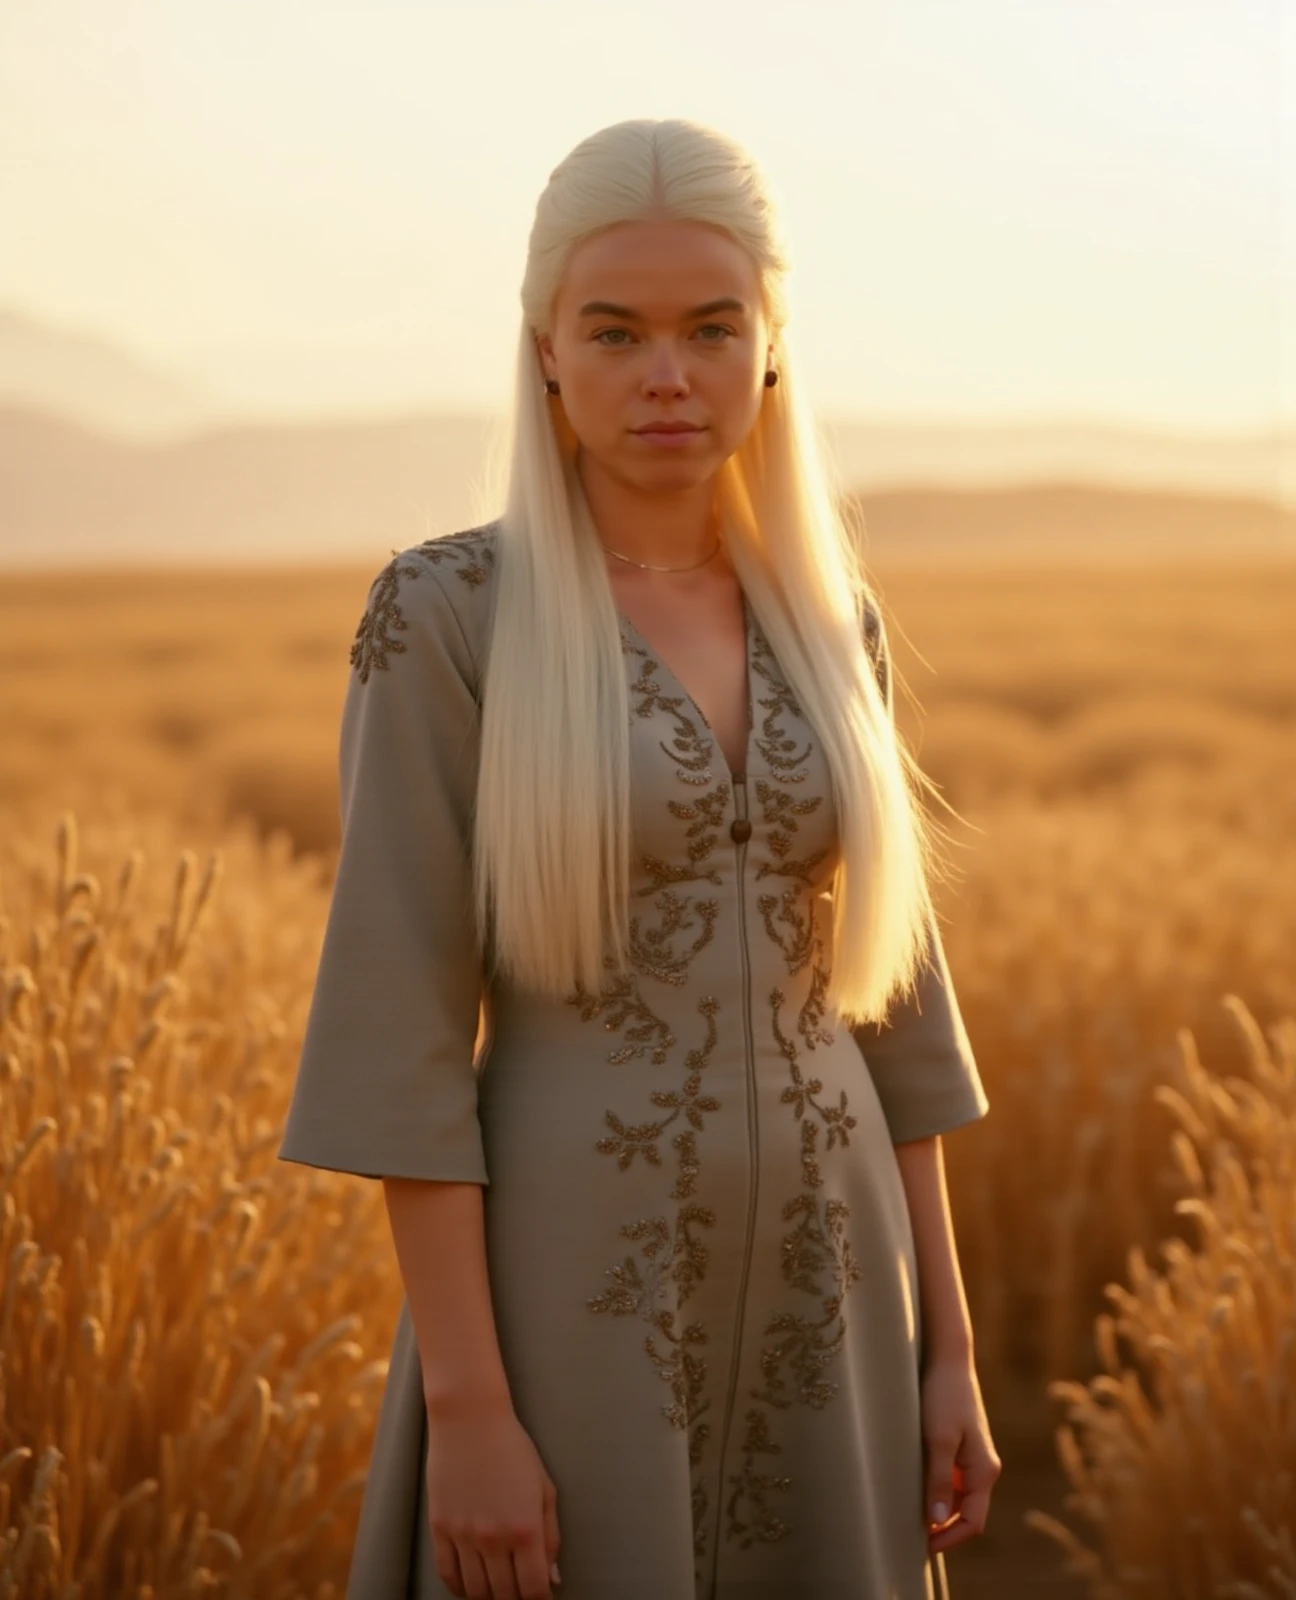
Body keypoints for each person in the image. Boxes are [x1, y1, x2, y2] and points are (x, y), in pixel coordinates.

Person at [278, 116, 1000, 1600]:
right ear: (547, 348)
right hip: (567, 1293)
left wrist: (955, 1354)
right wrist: (472, 1413)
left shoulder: (827, 616)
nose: (665, 373)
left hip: (839, 1275)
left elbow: (899, 1027)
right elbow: (401, 1041)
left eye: (709, 327)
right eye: (615, 331)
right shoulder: (446, 617)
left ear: (770, 346)